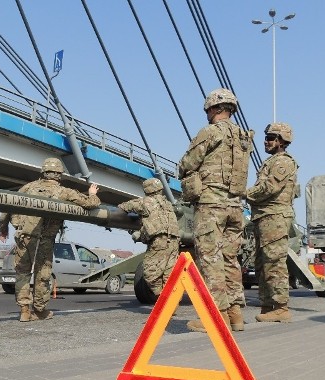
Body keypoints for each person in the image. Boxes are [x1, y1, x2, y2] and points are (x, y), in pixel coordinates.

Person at [178, 88, 254, 332]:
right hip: (235, 207)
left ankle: (215, 316)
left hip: (212, 204)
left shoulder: (210, 132)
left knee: (210, 258)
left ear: (212, 108)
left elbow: (187, 163)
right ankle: (235, 314)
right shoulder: (243, 137)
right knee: (230, 259)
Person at [0, 158, 100, 322]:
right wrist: (92, 194)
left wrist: (3, 229)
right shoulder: (65, 192)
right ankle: (40, 310)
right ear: (59, 174)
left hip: (25, 237)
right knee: (43, 274)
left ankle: (24, 310)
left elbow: (8, 207)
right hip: (46, 239)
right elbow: (90, 204)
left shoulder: (28, 187)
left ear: (43, 172)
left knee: (22, 273)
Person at [246, 123, 298, 322]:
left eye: (270, 138)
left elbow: (269, 188)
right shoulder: (271, 161)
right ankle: (268, 305)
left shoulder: (283, 162)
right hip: (264, 217)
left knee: (274, 262)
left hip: (275, 217)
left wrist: (245, 194)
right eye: (266, 137)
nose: (265, 141)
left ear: (281, 141)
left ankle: (282, 308)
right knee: (262, 263)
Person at [118, 178, 180, 298]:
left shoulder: (146, 202)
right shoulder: (167, 205)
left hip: (159, 242)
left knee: (149, 273)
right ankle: (171, 303)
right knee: (169, 276)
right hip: (174, 242)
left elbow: (125, 206)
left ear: (147, 190)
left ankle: (163, 298)